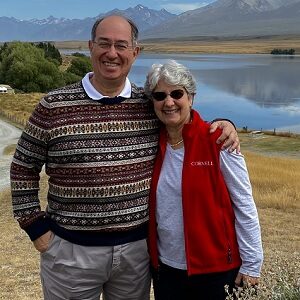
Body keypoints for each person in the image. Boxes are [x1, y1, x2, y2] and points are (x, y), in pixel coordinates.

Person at [10, 16, 239, 300]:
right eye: (104, 44)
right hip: (71, 251)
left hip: (135, 255)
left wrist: (223, 124)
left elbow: (182, 117)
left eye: (121, 45)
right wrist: (34, 226)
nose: (112, 53)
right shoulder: (54, 106)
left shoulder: (149, 103)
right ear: (91, 46)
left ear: (135, 52)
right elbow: (23, 166)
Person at [145, 60, 263, 300]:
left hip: (217, 270)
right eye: (160, 95)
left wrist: (252, 263)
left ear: (191, 98)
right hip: (167, 270)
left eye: (177, 93)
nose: (168, 102)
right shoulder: (151, 143)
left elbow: (244, 203)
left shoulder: (218, 140)